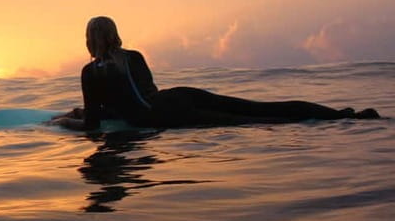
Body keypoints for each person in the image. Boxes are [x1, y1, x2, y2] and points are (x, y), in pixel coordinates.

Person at [54, 16, 380, 131]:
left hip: (161, 119)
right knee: (262, 109)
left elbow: (94, 125)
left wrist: (62, 120)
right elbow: (145, 92)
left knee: (256, 124)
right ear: (114, 34)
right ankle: (344, 115)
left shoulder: (90, 73)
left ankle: (340, 118)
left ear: (89, 40)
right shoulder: (133, 56)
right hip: (178, 97)